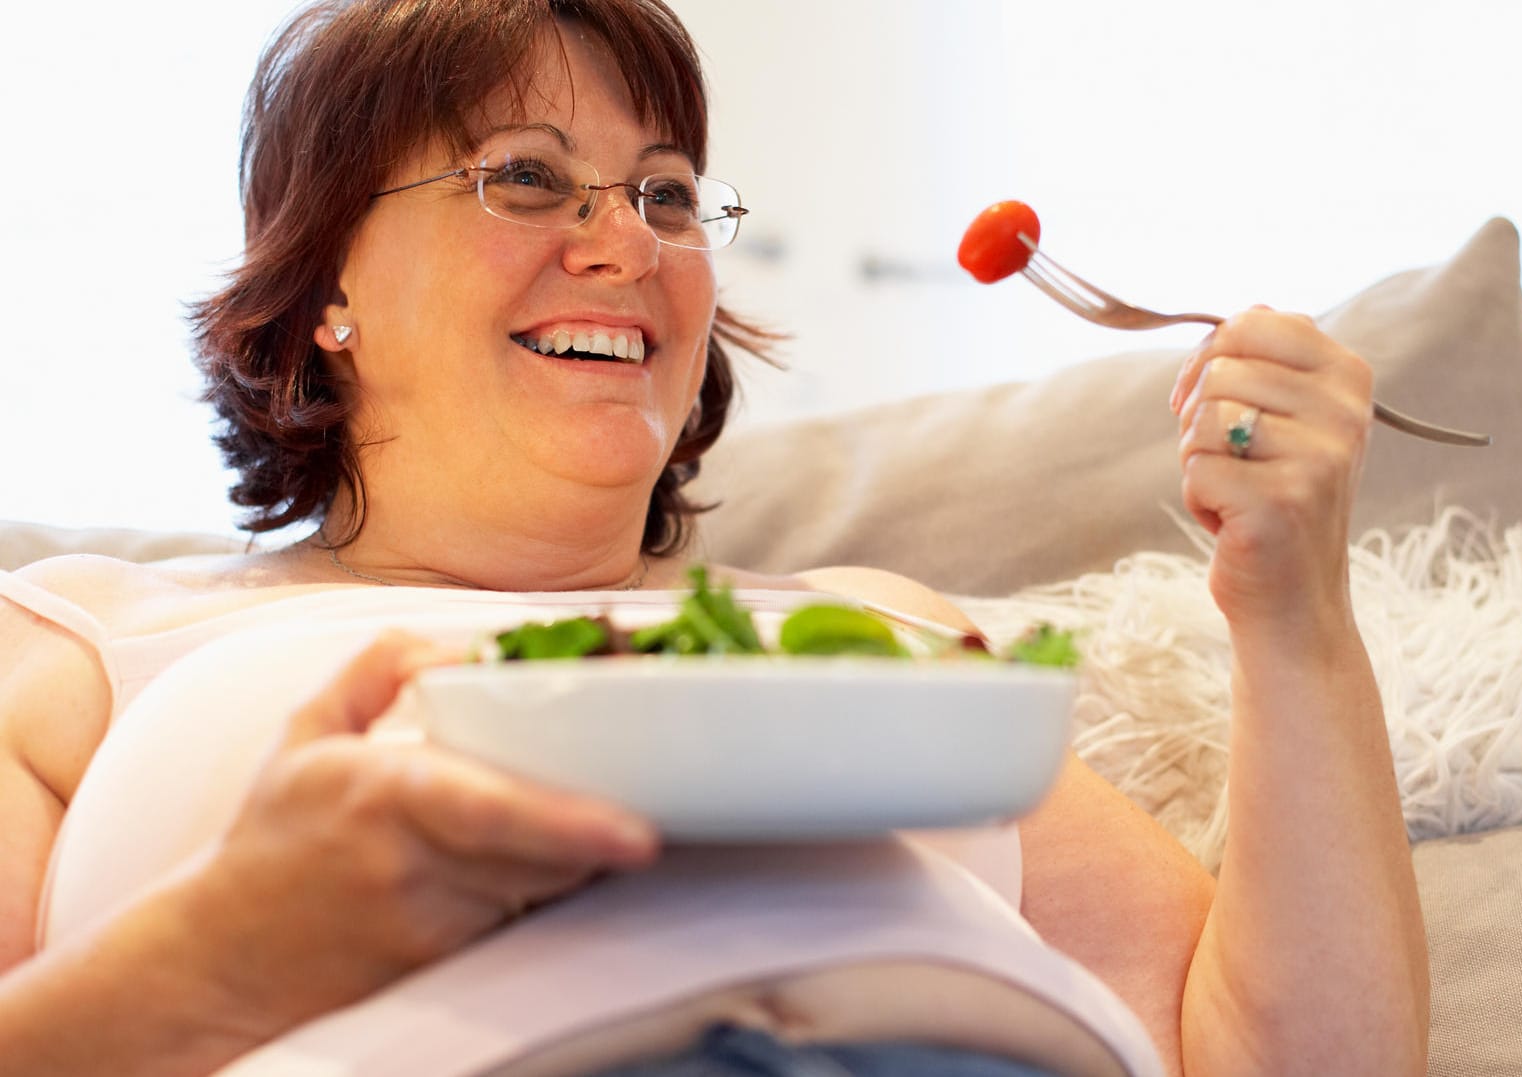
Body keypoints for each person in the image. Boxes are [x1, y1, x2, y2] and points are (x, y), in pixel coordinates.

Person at [0, 0, 1429, 1073]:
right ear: (325, 284)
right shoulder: (76, 648)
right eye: (526, 177)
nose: (625, 243)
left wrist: (1294, 611)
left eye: (667, 192)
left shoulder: (889, 634)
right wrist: (228, 955)